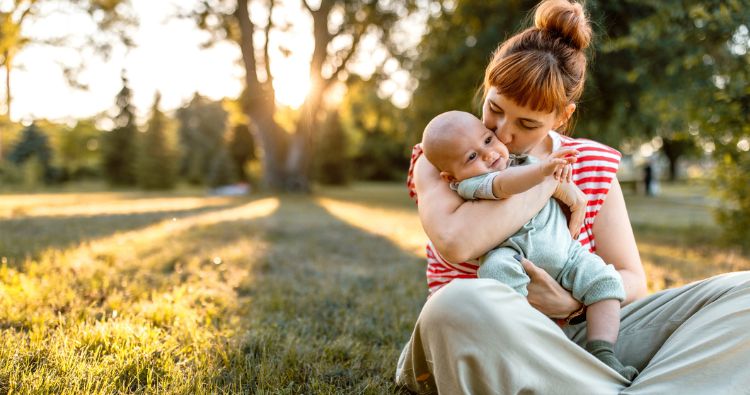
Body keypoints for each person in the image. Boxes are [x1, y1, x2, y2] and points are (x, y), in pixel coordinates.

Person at [396, 0, 750, 394]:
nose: (503, 133)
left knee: (745, 295)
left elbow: (633, 279)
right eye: (494, 108)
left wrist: (571, 304)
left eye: (527, 123)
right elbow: (457, 241)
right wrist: (546, 181)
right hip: (488, 339)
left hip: (582, 338)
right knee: (456, 305)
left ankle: (603, 382)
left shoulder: (593, 162)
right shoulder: (443, 155)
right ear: (487, 84)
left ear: (562, 116)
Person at [420, 110, 638, 380]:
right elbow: (504, 185)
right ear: (451, 178)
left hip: (568, 255)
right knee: (497, 277)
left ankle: (603, 351)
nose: (488, 154)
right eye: (472, 157)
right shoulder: (471, 184)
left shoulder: (525, 160)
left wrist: (555, 173)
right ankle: (522, 350)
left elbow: (569, 190)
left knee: (605, 281)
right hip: (513, 254)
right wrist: (545, 174)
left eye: (488, 140)